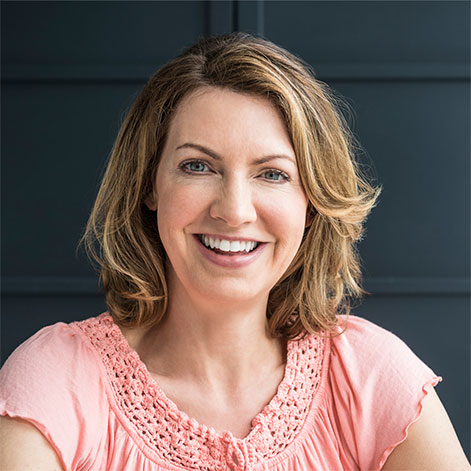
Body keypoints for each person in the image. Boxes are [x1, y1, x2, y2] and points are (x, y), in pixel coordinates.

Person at [0, 32, 468, 471]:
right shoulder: (56, 378)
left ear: (311, 204)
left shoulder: (369, 373)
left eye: (273, 174)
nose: (234, 211)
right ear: (150, 186)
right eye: (198, 166)